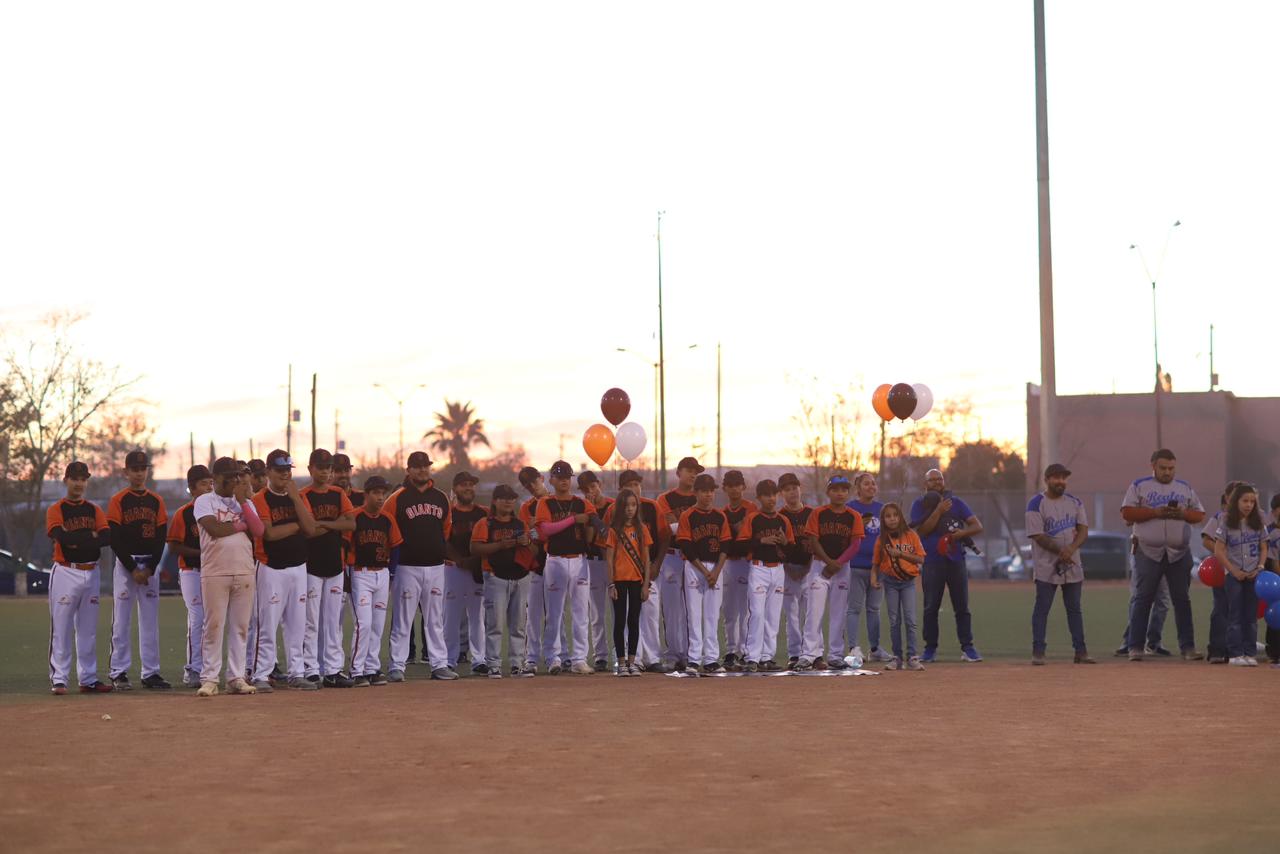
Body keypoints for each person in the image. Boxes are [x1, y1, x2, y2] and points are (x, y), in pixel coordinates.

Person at [1121, 449, 1205, 661]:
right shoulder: (1139, 485)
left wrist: (1182, 513)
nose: (1167, 472)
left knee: (1182, 600)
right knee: (1142, 599)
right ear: (1153, 466)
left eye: (1171, 468)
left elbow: (1199, 515)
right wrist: (1155, 512)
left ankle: (1188, 647)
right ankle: (1135, 647)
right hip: (1147, 551)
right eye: (1163, 468)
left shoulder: (1184, 487)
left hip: (1178, 553)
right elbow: (1127, 513)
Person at [193, 457, 264, 697]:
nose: (235, 480)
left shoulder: (244, 502)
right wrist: (241, 525)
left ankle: (236, 677)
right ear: (215, 478)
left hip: (244, 569)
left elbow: (259, 530)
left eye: (237, 475)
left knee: (240, 627)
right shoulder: (204, 501)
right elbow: (215, 529)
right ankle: (209, 678)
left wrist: (243, 502)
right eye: (230, 476)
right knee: (213, 626)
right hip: (215, 571)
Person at [250, 449, 319, 691]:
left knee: (297, 625)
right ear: (268, 472)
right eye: (279, 470)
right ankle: (261, 674)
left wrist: (295, 499)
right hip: (271, 567)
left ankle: (296, 673)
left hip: (298, 567)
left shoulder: (297, 496)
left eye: (288, 470)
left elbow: (311, 529)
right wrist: (295, 526)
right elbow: (269, 533)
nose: (285, 475)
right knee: (267, 624)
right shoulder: (260, 498)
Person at [385, 451, 455, 681]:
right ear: (408, 470)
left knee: (435, 619)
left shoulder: (441, 497)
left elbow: (445, 529)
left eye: (425, 465)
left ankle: (439, 665)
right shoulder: (397, 498)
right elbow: (386, 527)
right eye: (417, 466)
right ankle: (397, 665)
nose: (422, 470)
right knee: (403, 619)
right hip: (407, 567)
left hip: (435, 567)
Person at [46, 461, 113, 695]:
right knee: (61, 627)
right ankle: (59, 679)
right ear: (66, 480)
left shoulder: (94, 509)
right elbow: (61, 538)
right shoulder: (56, 509)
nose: (79, 483)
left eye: (83, 479)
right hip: (66, 571)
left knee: (88, 629)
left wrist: (78, 538)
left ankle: (88, 678)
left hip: (91, 572)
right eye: (74, 478)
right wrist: (90, 535)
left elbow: (106, 538)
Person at [106, 450, 171, 691]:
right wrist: (133, 568)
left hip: (149, 565)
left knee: (150, 620)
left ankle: (151, 672)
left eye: (143, 469)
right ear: (126, 472)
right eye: (135, 469)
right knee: (121, 620)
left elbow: (161, 537)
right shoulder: (119, 500)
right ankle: (118, 672)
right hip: (127, 565)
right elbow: (114, 538)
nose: (139, 473)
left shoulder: (157, 501)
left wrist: (151, 567)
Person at [910, 468, 985, 663]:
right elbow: (921, 531)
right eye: (932, 480)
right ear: (925, 484)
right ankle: (930, 649)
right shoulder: (919, 504)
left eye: (940, 479)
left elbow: (977, 526)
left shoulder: (956, 502)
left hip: (956, 560)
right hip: (931, 561)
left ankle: (967, 648)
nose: (937, 482)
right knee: (930, 607)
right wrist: (938, 511)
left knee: (962, 606)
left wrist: (960, 535)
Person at [1026, 464, 1095, 665]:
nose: (1061, 481)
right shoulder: (1036, 503)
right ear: (1047, 480)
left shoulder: (1075, 502)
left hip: (1072, 563)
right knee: (1042, 609)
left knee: (1074, 609)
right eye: (1056, 477)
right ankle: (1038, 652)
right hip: (1046, 565)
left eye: (1063, 478)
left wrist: (1070, 549)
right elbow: (1037, 535)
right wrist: (1061, 551)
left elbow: (1083, 530)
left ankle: (1080, 652)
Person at [534, 460, 598, 675]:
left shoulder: (581, 502)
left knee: (581, 613)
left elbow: (592, 526)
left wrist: (591, 524)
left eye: (567, 477)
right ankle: (554, 658)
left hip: (579, 559)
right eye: (559, 477)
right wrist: (573, 520)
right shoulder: (546, 503)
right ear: (551, 480)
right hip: (556, 559)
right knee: (554, 613)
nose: (564, 481)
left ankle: (579, 658)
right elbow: (545, 530)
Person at [300, 449, 356, 688]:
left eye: (328, 468)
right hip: (311, 565)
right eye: (320, 467)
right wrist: (335, 524)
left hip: (335, 565)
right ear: (310, 469)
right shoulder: (304, 495)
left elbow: (351, 523)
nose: (325, 472)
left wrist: (323, 524)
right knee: (311, 621)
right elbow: (308, 530)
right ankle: (311, 669)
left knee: (333, 622)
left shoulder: (338, 494)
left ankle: (333, 670)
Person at [472, 484, 536, 678]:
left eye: (511, 498)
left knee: (518, 624)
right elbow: (475, 548)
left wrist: (528, 542)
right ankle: (494, 664)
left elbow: (535, 550)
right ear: (495, 501)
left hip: (520, 577)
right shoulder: (486, 523)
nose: (508, 501)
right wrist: (500, 545)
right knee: (495, 623)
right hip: (495, 576)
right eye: (504, 498)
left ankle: (517, 663)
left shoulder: (520, 524)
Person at [801, 475, 864, 670]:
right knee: (814, 611)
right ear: (828, 492)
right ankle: (810, 654)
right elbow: (813, 540)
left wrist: (838, 563)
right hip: (820, 565)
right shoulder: (818, 513)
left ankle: (835, 655)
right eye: (835, 489)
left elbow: (856, 544)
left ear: (848, 492)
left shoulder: (853, 515)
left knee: (839, 612)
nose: (840, 493)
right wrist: (829, 562)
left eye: (844, 489)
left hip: (842, 568)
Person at [609, 469, 667, 672]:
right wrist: (611, 578)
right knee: (622, 618)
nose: (634, 488)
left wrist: (656, 564)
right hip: (621, 574)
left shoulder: (652, 506)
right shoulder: (613, 510)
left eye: (637, 484)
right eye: (629, 485)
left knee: (649, 615)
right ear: (621, 489)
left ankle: (652, 658)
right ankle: (629, 659)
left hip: (644, 573)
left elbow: (664, 536)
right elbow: (606, 544)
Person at [347, 475, 400, 687]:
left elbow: (395, 547)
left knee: (378, 625)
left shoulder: (387, 519)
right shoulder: (355, 516)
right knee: (364, 624)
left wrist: (392, 574)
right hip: (360, 573)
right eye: (376, 493)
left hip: (382, 573)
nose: (380, 497)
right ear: (366, 494)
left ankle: (371, 668)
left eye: (383, 493)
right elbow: (345, 546)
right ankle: (356, 670)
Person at [676, 473, 731, 673]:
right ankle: (693, 659)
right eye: (704, 491)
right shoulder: (688, 516)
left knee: (712, 615)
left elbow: (726, 545)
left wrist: (715, 571)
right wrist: (705, 571)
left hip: (715, 568)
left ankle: (710, 660)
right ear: (696, 492)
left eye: (711, 491)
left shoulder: (720, 516)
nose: (708, 494)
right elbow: (686, 546)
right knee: (693, 614)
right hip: (694, 567)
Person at [738, 479, 794, 673]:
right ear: (759, 497)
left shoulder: (783, 520)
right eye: (766, 495)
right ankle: (752, 657)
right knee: (757, 614)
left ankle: (766, 657)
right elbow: (741, 545)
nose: (771, 498)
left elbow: (791, 550)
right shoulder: (753, 519)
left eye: (774, 494)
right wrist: (761, 540)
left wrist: (785, 542)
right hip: (759, 568)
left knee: (773, 615)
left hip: (778, 570)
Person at [167, 464, 214, 688]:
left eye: (211, 483)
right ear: (192, 488)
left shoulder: (217, 510)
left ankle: (208, 668)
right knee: (198, 619)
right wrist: (201, 553)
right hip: (191, 572)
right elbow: (174, 546)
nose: (209, 488)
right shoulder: (184, 513)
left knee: (212, 621)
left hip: (213, 572)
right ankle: (193, 669)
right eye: (204, 484)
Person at [654, 457, 702, 671]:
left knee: (693, 608)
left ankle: (692, 654)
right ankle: (674, 654)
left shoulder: (700, 496)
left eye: (696, 471)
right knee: (672, 607)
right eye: (689, 470)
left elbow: (681, 527)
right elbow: (670, 527)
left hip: (695, 559)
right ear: (678, 472)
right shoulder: (665, 498)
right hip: (672, 556)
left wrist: (684, 527)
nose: (693, 474)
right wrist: (691, 528)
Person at [1215, 483, 1268, 666]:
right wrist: (1233, 571)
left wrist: (1260, 567)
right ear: (1235, 501)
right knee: (1235, 615)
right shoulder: (1226, 522)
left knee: (1251, 616)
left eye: (1252, 502)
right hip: (1234, 576)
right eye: (1245, 501)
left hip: (1253, 575)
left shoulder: (1258, 522)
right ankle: (1235, 654)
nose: (1249, 505)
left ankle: (1249, 653)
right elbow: (1218, 550)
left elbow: (1264, 547)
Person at [603, 489, 653, 677]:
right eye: (626, 506)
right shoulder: (614, 530)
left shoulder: (642, 529)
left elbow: (646, 559)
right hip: (619, 581)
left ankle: (632, 662)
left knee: (633, 620)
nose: (630, 509)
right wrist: (611, 584)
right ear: (620, 508)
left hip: (636, 581)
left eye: (633, 505)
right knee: (619, 621)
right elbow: (609, 559)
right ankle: (621, 662)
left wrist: (646, 584)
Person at [871, 503, 925, 671]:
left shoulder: (911, 535)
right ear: (883, 520)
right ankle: (897, 658)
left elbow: (921, 559)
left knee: (910, 620)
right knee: (894, 621)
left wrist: (901, 554)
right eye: (888, 516)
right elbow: (876, 564)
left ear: (900, 517)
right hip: (890, 583)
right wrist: (874, 578)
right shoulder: (882, 539)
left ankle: (912, 657)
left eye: (895, 515)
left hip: (908, 583)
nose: (892, 519)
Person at [445, 471, 488, 675]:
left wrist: (474, 561)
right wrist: (459, 560)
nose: (468, 488)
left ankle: (479, 659)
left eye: (471, 484)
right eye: (463, 484)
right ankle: (449, 659)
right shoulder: (449, 513)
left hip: (476, 568)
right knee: (450, 616)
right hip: (452, 568)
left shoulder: (483, 513)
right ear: (455, 489)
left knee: (477, 616)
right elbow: (443, 540)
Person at [846, 473, 891, 665]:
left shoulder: (882, 509)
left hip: (877, 567)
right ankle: (853, 647)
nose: (871, 486)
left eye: (873, 483)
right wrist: (858, 526)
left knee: (874, 609)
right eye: (866, 484)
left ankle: (875, 649)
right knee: (854, 608)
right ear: (858, 488)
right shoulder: (850, 508)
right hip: (855, 566)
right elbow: (843, 535)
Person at [719, 470, 757, 672]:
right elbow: (726, 541)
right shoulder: (722, 513)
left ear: (744, 487)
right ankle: (731, 650)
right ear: (724, 488)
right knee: (729, 610)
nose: (734, 489)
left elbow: (748, 538)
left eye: (737, 485)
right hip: (728, 563)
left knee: (745, 610)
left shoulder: (751, 509)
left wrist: (739, 537)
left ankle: (744, 650)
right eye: (730, 485)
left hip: (746, 562)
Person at [778, 472, 816, 670]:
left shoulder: (811, 514)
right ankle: (794, 654)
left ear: (801, 489)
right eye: (787, 489)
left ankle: (812, 653)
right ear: (781, 493)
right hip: (787, 571)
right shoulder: (780, 516)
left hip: (810, 569)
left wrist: (808, 568)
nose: (792, 492)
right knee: (791, 614)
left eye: (794, 488)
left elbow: (816, 544)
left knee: (812, 613)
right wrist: (786, 567)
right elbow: (778, 547)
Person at [1200, 481, 1241, 664]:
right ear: (1227, 498)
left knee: (1242, 610)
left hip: (1246, 570)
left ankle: (1239, 649)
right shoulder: (1220, 517)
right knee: (1221, 608)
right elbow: (1206, 539)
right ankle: (1217, 649)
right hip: (1224, 570)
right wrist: (1222, 553)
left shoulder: (1255, 519)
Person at [579, 471, 615, 671]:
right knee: (596, 613)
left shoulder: (613, 505)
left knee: (617, 610)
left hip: (613, 563)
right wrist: (590, 511)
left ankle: (620, 653)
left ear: (599, 484)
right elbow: (588, 539)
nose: (591, 491)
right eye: (586, 489)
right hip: (592, 562)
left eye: (593, 486)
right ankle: (600, 656)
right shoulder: (583, 508)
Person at [517, 466, 551, 673]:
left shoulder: (556, 501)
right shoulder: (527, 507)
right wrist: (536, 531)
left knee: (554, 614)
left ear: (542, 478)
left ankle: (558, 656)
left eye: (533, 481)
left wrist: (539, 529)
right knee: (533, 614)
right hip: (536, 564)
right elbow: (529, 536)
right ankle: (531, 657)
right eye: (527, 484)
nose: (531, 486)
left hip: (557, 560)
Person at [1267, 495, 1280, 666]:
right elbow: (1274, 562)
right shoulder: (1270, 533)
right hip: (1276, 579)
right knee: (1276, 613)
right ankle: (1275, 651)